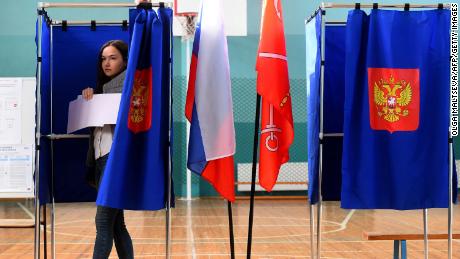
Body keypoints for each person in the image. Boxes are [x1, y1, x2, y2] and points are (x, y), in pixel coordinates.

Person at [82, 40, 134, 259]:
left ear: (124, 61)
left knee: (103, 221)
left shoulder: (126, 86)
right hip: (103, 158)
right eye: (104, 58)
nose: (107, 63)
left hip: (114, 159)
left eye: (113, 58)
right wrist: (91, 99)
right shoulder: (105, 88)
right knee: (116, 224)